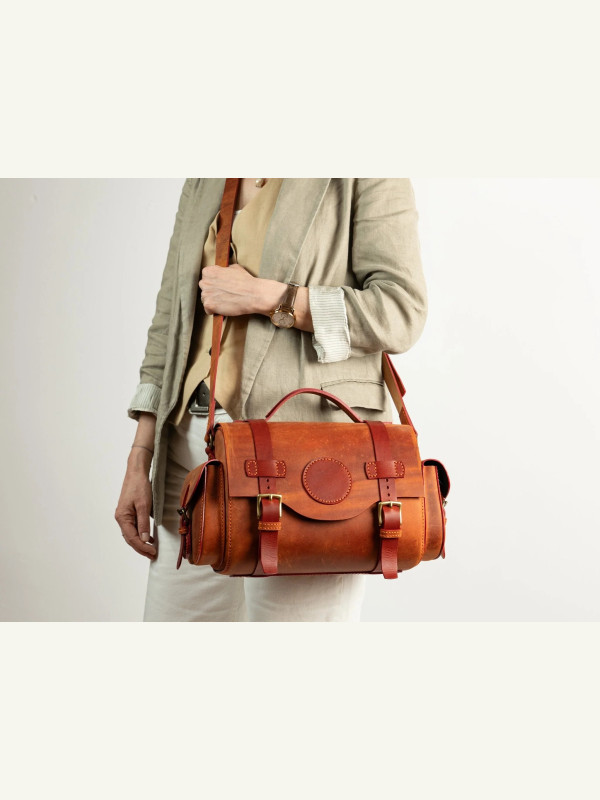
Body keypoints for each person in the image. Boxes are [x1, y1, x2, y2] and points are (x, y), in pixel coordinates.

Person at [115, 178, 428, 622]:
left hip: (306, 466)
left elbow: (401, 311)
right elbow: (170, 320)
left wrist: (274, 299)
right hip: (189, 460)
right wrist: (140, 453)